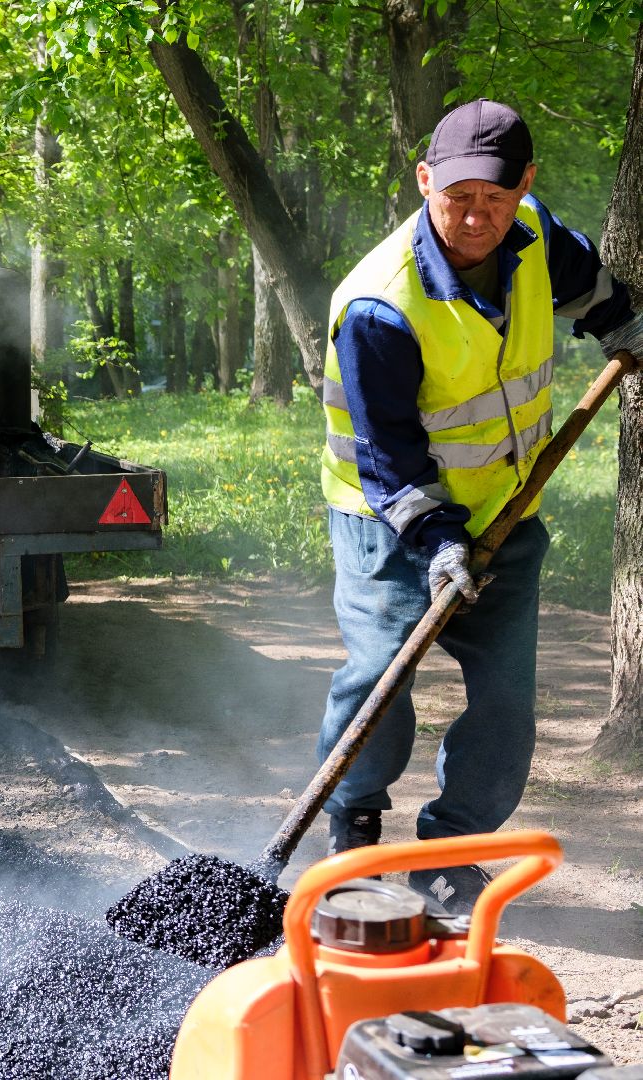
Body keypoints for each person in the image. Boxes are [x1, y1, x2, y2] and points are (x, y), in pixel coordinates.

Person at [317, 100, 642, 913]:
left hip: (506, 508)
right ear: (425, 179)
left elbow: (594, 292)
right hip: (386, 520)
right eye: (457, 196)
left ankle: (451, 853)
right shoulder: (379, 307)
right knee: (381, 678)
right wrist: (438, 544)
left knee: (505, 699)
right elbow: (387, 456)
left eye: (494, 198)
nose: (475, 216)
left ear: (523, 185)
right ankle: (352, 831)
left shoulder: (533, 237)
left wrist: (626, 325)